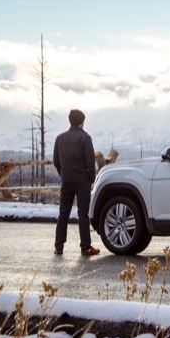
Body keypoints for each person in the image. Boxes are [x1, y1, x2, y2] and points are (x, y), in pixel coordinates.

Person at [52, 109, 100, 256]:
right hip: (82, 181)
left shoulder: (60, 139)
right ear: (82, 122)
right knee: (83, 214)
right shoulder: (85, 138)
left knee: (63, 214)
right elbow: (90, 162)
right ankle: (85, 246)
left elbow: (56, 161)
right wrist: (91, 179)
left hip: (66, 181)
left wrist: (64, 174)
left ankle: (59, 246)